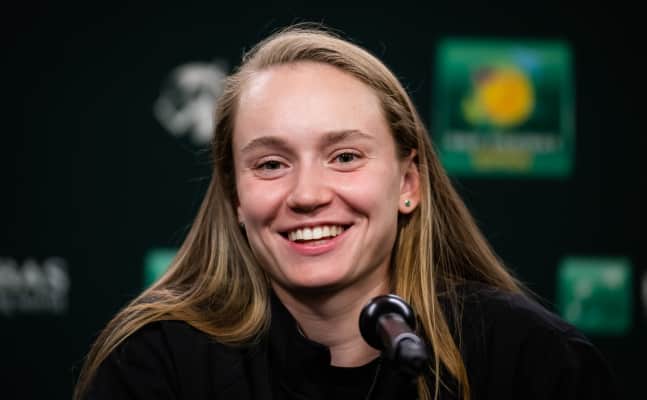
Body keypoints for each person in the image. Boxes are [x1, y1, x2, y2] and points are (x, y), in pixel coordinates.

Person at [74, 24, 616, 400]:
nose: (307, 194)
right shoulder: (155, 366)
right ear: (237, 197)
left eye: (346, 157)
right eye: (271, 164)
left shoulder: (536, 363)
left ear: (408, 183)